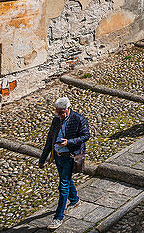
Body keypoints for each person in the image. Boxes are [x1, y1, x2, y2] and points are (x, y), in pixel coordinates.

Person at [38, 97, 90, 230]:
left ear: (68, 109)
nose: (59, 115)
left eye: (61, 112)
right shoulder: (56, 120)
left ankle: (58, 217)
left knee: (63, 185)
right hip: (58, 156)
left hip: (69, 157)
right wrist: (43, 159)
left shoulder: (79, 119)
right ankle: (75, 200)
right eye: (57, 112)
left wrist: (69, 142)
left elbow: (85, 136)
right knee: (65, 179)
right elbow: (50, 139)